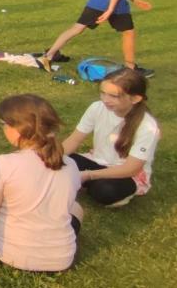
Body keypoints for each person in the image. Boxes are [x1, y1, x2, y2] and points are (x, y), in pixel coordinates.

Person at [0, 94, 83, 272]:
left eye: (3, 124)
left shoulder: (3, 164)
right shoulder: (71, 165)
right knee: (77, 208)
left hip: (12, 255)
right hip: (61, 258)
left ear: (17, 129)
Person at [63, 67, 159, 207]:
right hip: (96, 161)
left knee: (106, 191)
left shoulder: (147, 127)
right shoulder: (97, 107)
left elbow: (131, 168)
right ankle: (83, 182)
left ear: (135, 98)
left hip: (124, 173)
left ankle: (85, 183)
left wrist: (88, 175)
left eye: (114, 96)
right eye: (103, 93)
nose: (105, 100)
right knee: (61, 161)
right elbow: (74, 139)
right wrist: (52, 158)